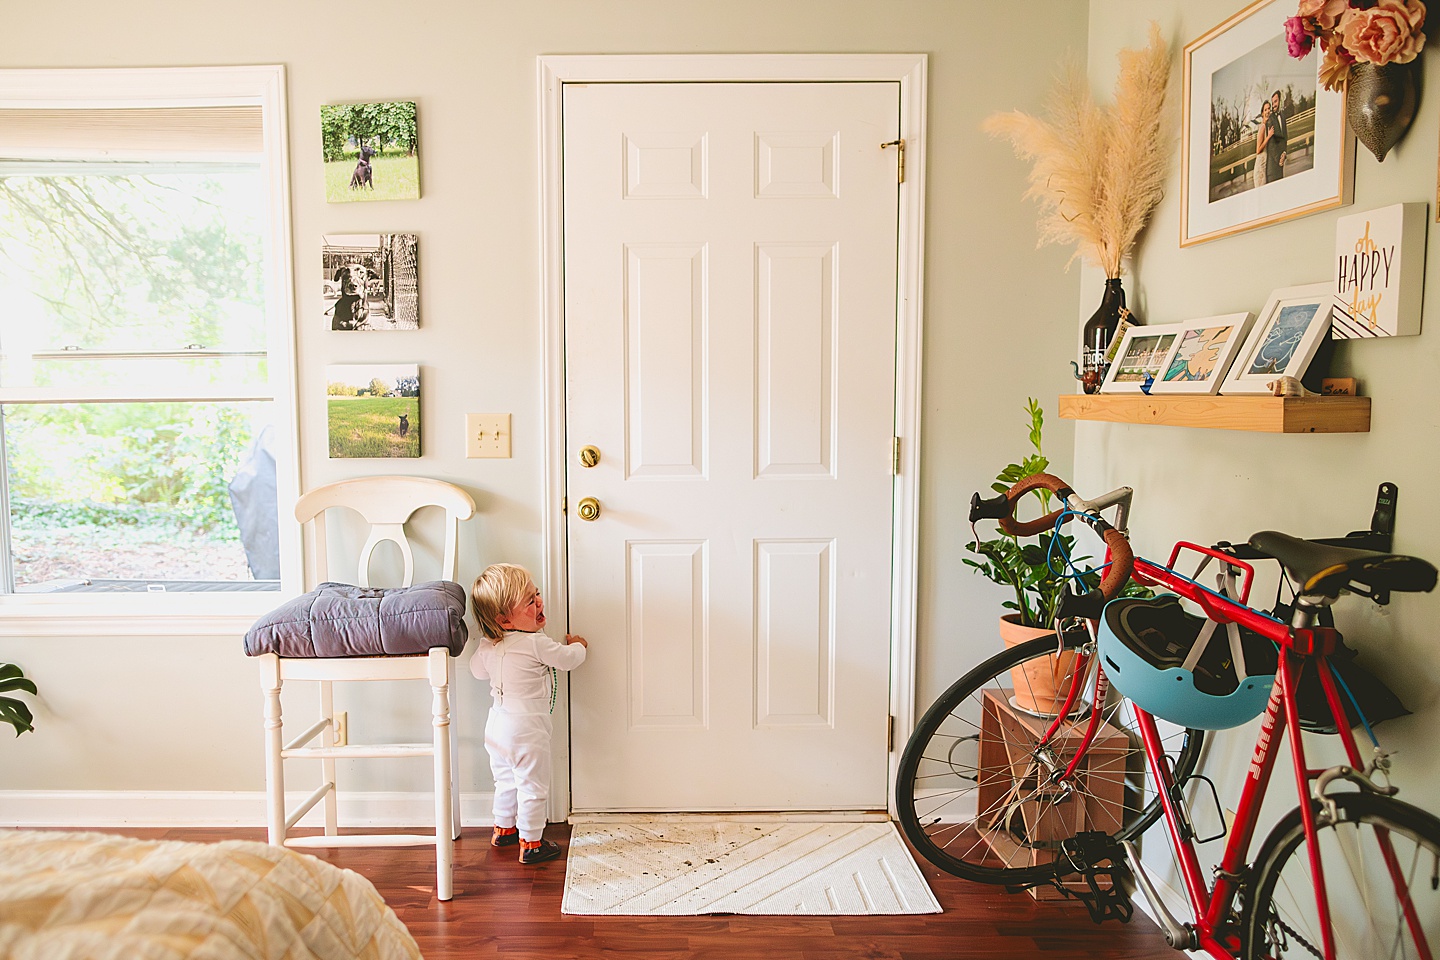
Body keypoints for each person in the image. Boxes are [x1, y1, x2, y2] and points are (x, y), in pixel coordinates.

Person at [470, 563, 588, 864]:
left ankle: (503, 829)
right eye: (529, 602)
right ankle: (532, 842)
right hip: (526, 729)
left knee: (505, 780)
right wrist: (579, 646)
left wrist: (486, 644)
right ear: (504, 619)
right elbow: (567, 660)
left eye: (537, 595)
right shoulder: (536, 643)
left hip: (496, 725)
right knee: (532, 785)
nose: (539, 603)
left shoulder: (491, 646)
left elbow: (476, 671)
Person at [1266, 90, 1287, 182]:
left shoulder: (1282, 116)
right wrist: (1279, 158)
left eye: (1275, 101)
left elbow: (1285, 137)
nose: (1273, 105)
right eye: (1272, 102)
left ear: (1280, 101)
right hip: (1272, 167)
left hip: (1280, 166)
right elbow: (1271, 144)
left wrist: (1284, 153)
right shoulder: (1270, 119)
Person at [1254, 100, 1272, 188]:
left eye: (1269, 109)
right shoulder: (1263, 127)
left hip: (1264, 166)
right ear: (1262, 113)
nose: (1268, 111)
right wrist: (1268, 137)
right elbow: (1258, 150)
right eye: (1265, 110)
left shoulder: (1266, 125)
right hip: (1260, 168)